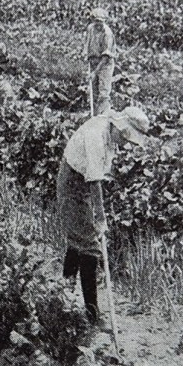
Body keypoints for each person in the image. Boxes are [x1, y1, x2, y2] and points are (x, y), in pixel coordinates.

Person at [57, 107, 150, 326]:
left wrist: (98, 216)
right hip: (72, 183)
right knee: (90, 245)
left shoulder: (109, 134)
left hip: (82, 182)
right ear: (121, 128)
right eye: (127, 139)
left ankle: (64, 288)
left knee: (79, 236)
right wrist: (100, 219)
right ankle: (91, 313)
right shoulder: (96, 137)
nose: (127, 145)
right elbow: (95, 181)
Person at [84, 7, 115, 115]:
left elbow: (106, 57)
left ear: (105, 21)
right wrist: (86, 55)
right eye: (96, 21)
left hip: (105, 64)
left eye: (101, 22)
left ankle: (104, 116)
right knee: (93, 91)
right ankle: (95, 115)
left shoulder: (107, 33)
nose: (98, 24)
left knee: (103, 93)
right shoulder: (90, 28)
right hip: (93, 61)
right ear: (92, 20)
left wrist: (95, 72)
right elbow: (88, 43)